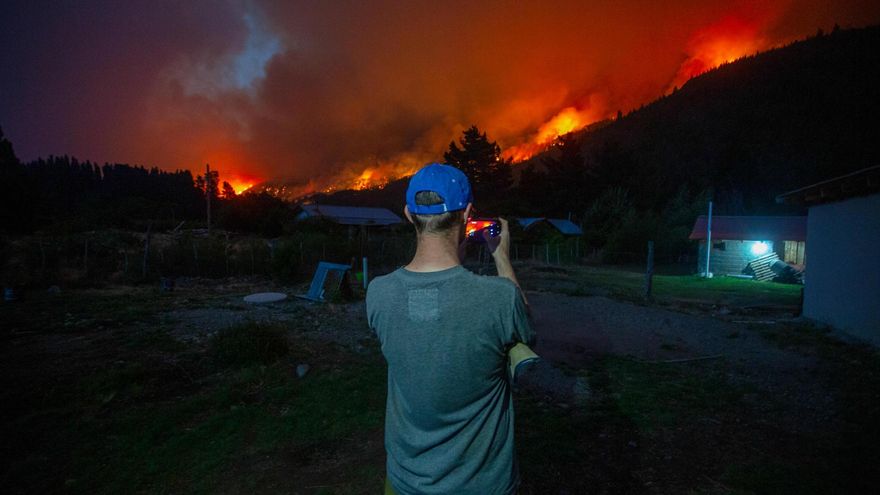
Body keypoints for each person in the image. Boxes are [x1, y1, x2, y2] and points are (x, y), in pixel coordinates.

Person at [366, 163, 534, 495]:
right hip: (482, 486)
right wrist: (501, 256)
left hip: (405, 482)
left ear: (408, 215)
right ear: (468, 214)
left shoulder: (378, 293)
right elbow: (525, 327)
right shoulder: (498, 298)